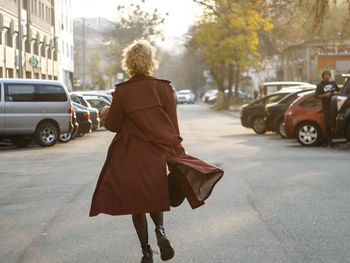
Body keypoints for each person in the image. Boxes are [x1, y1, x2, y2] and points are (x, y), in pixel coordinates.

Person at [89, 40, 224, 263]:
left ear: (128, 63)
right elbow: (173, 127)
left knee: (137, 203)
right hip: (155, 155)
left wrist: (105, 111)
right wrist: (177, 154)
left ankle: (146, 251)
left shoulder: (122, 91)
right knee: (154, 196)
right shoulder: (164, 88)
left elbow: (113, 124)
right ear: (151, 62)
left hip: (130, 155)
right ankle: (160, 231)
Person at [315, 70, 340, 147]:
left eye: (328, 75)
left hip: (335, 105)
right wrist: (325, 95)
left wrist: (335, 93)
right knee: (327, 124)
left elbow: (339, 91)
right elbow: (316, 96)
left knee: (337, 122)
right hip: (326, 106)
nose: (327, 76)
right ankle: (329, 141)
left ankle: (338, 138)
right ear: (323, 76)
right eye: (325, 75)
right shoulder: (320, 85)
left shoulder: (333, 83)